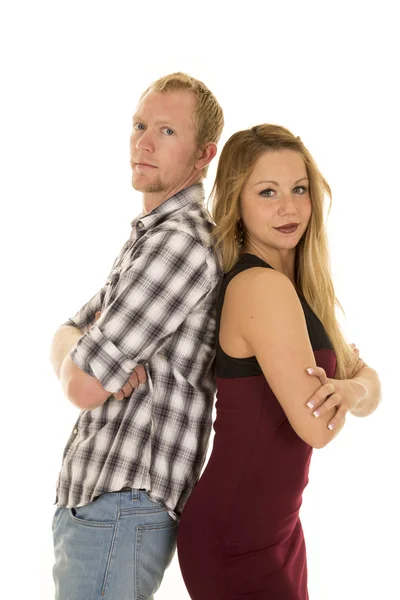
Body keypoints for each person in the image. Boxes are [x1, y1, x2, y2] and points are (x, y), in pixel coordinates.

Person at [177, 124, 381, 600]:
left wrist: (350, 390)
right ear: (237, 202)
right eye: (267, 192)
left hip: (279, 532)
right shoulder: (260, 287)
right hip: (236, 537)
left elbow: (366, 387)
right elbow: (318, 429)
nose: (289, 208)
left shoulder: (300, 291)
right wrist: (352, 385)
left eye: (299, 189)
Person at [50, 72, 224, 600]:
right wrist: (78, 352)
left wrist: (82, 355)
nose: (143, 142)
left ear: (204, 155)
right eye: (140, 125)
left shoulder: (180, 244)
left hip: (122, 505)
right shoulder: (148, 239)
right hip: (100, 501)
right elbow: (67, 332)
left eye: (167, 131)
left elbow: (82, 386)